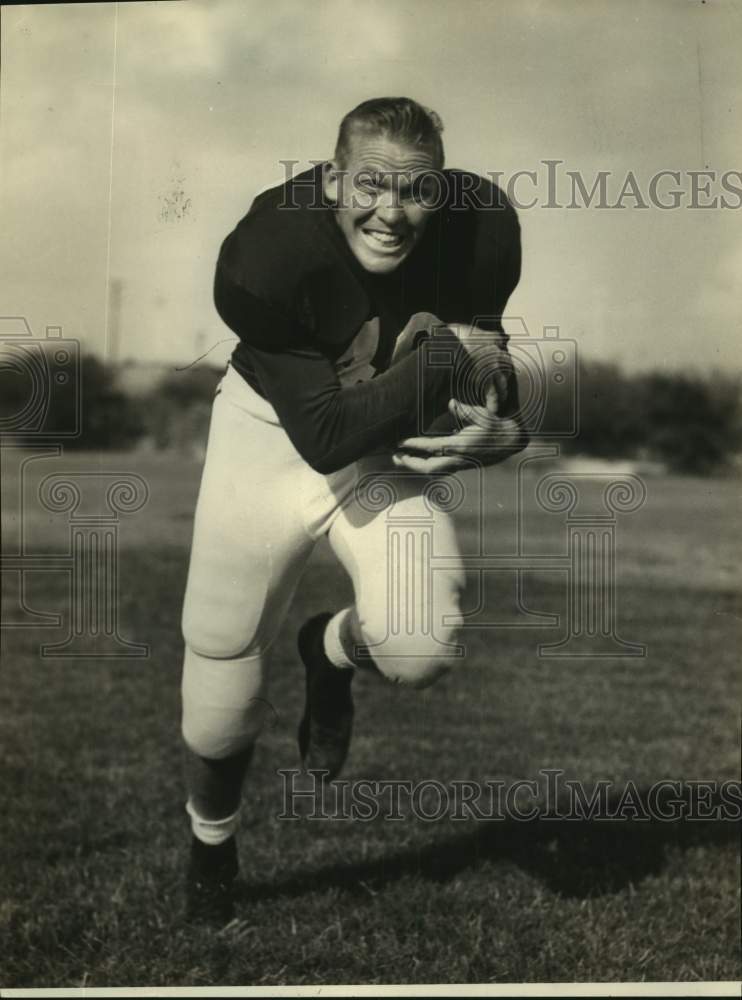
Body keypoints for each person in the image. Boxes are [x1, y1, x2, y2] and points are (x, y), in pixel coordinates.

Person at [180, 96, 528, 923]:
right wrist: (448, 356)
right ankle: (211, 844)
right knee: (221, 686)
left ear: (441, 189)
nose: (393, 213)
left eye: (418, 192)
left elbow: (490, 356)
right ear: (332, 177)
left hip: (380, 448)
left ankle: (329, 650)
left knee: (420, 645)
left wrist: (508, 417)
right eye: (370, 185)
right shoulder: (267, 254)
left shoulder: (480, 225)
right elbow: (328, 431)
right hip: (270, 436)